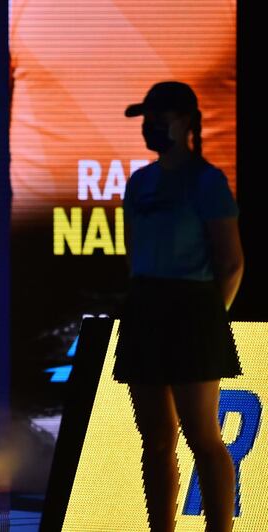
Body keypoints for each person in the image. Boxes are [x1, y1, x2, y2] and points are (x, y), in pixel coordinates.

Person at [114, 81, 244, 532]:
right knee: (155, 439)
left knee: (203, 437)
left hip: (193, 312)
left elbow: (231, 262)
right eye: (145, 120)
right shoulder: (139, 182)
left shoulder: (207, 181)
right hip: (147, 308)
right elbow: (134, 254)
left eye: (157, 119)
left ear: (185, 121)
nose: (149, 127)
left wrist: (209, 318)